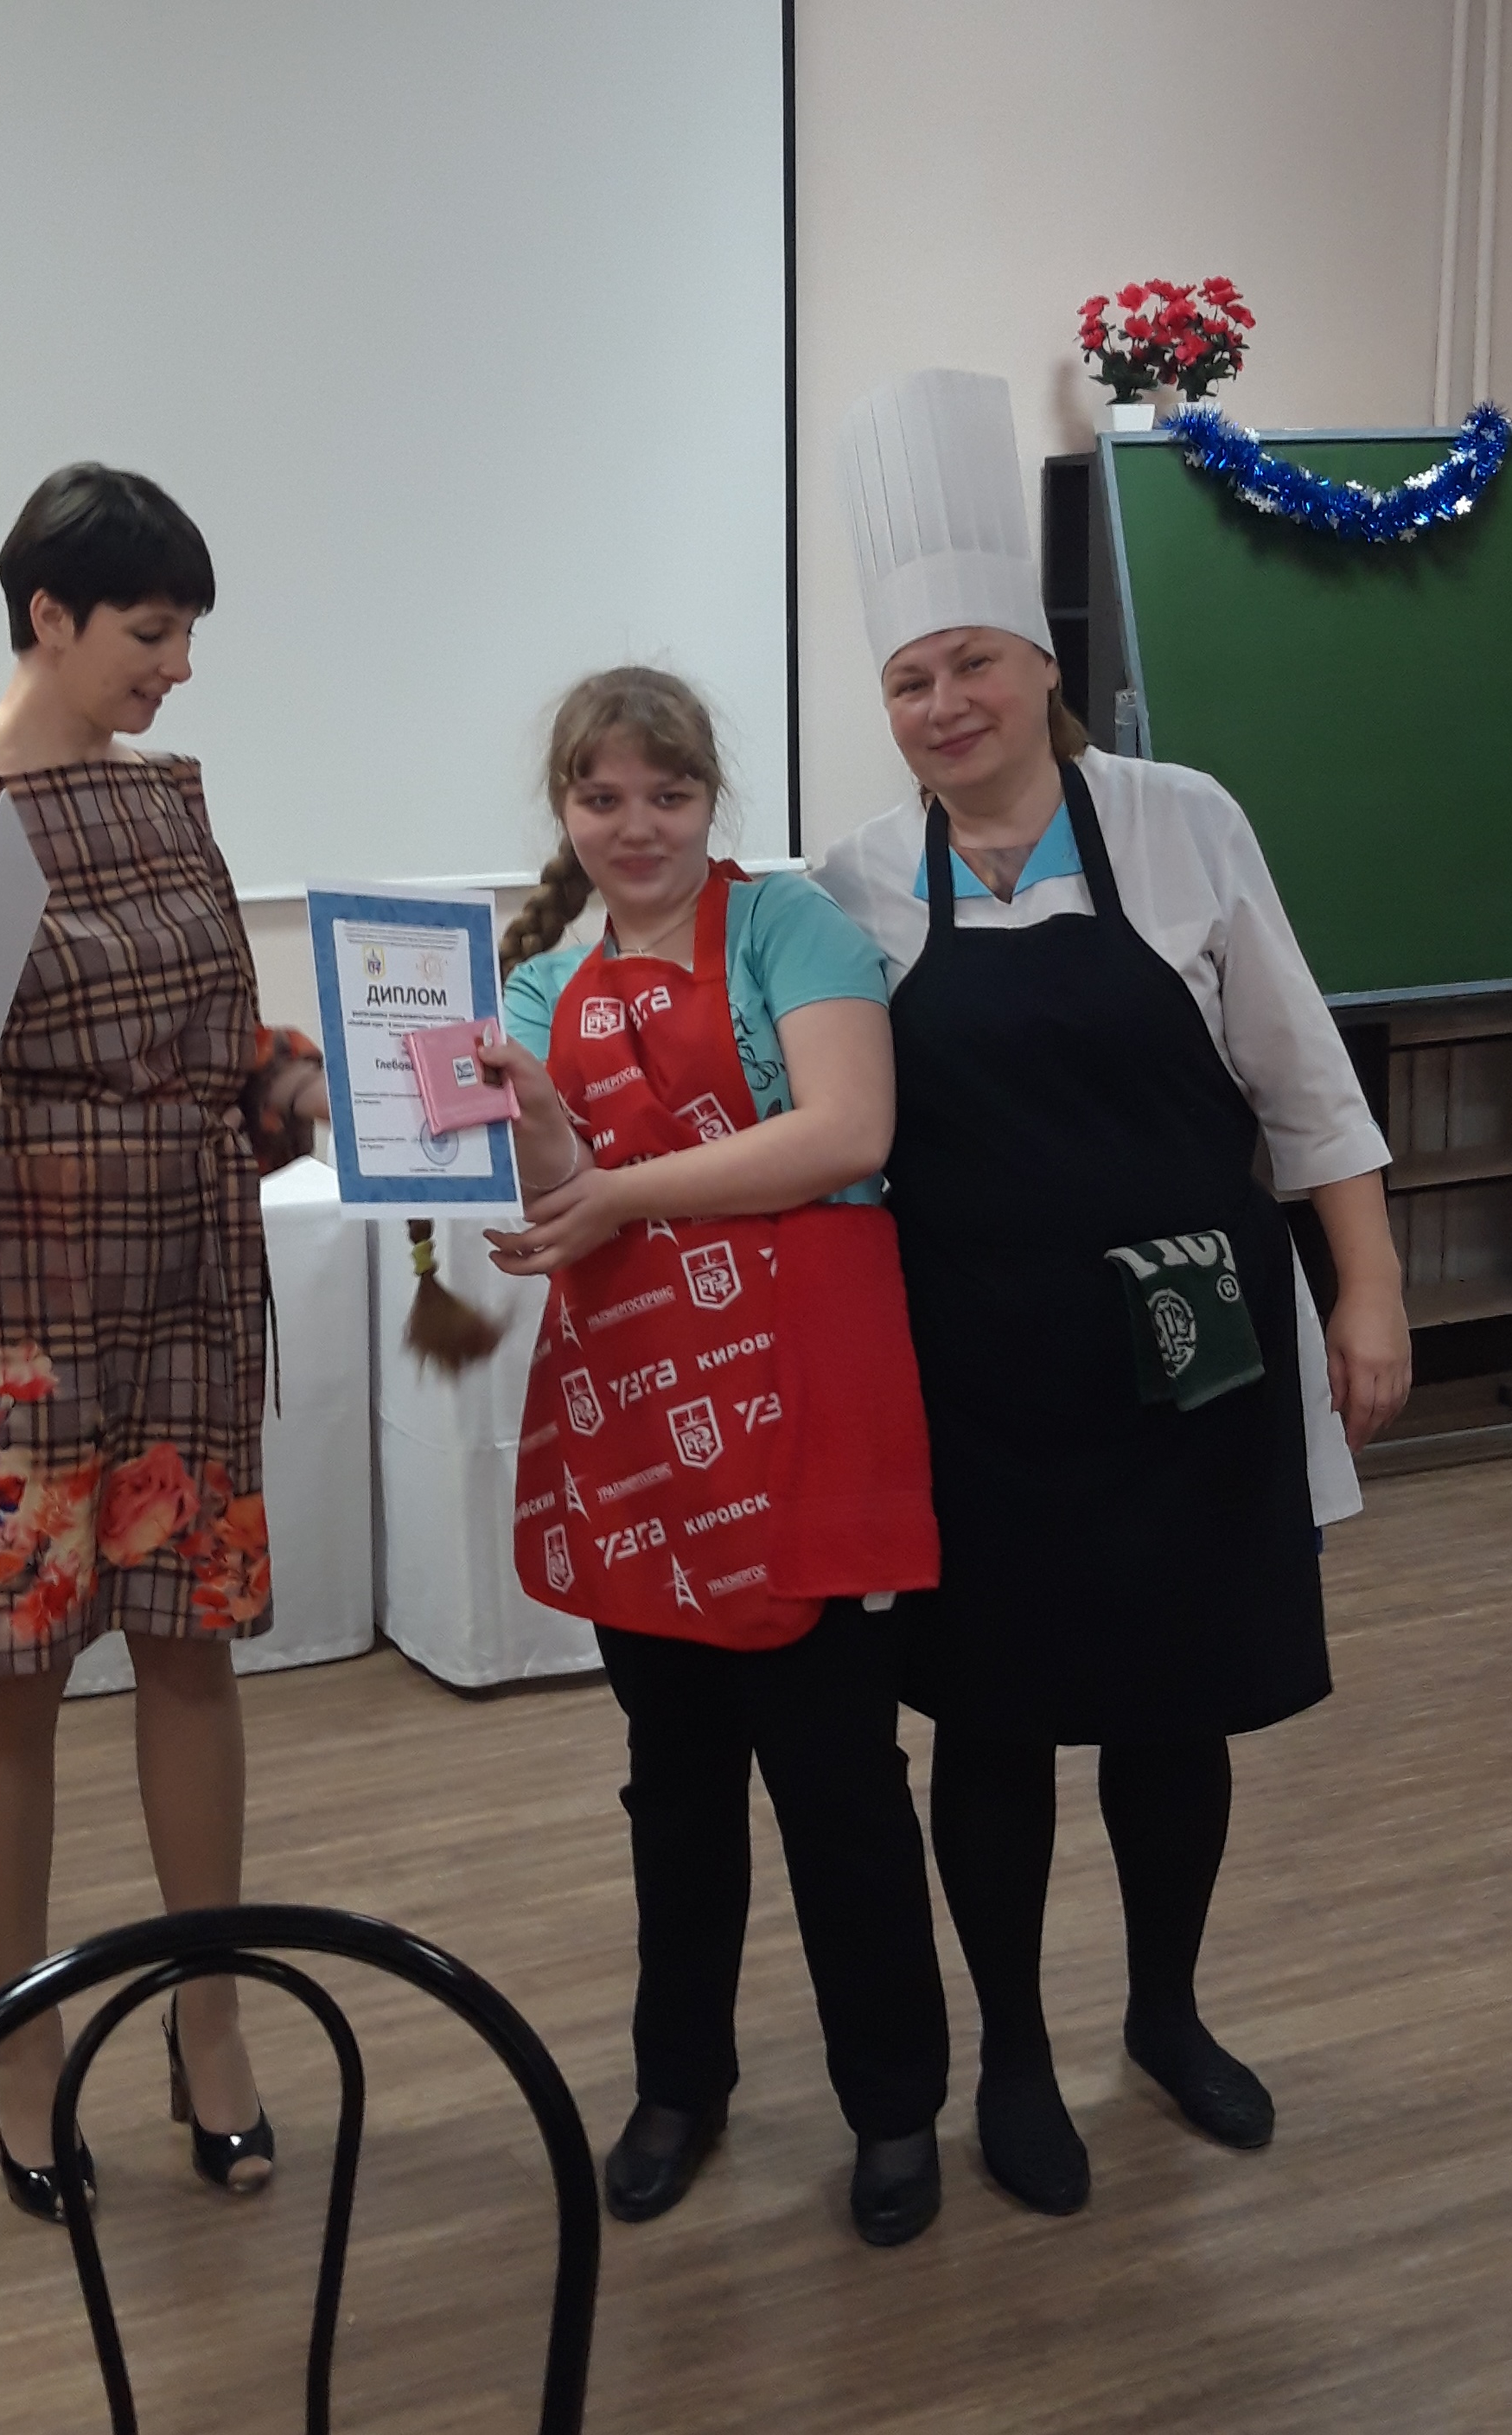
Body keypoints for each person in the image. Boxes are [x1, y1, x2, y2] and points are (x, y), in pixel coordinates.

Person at [814, 371, 1413, 2216]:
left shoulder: (1177, 821)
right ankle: (1011, 2049)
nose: (944, 706)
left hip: (1191, 1357)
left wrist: (1371, 1291)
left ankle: (1165, 2010)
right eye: (909, 680)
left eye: (972, 666)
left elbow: (1305, 1084)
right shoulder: (853, 882)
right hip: (977, 1374)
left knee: (1174, 1709)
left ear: (1039, 663)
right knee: (990, 1724)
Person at [0, 464, 328, 2221]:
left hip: (186, 1292)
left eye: (186, 637)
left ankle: (209, 2023)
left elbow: (220, 1051)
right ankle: (19, 2049)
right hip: (25, 1318)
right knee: (16, 1675)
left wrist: (300, 1092)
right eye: (151, 634)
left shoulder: (167, 800)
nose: (176, 669)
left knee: (191, 1654)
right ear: (49, 615)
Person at [474, 668, 949, 2246]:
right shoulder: (540, 987)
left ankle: (895, 2106)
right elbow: (554, 1187)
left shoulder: (788, 926)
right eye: (603, 798)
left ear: (709, 802)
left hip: (805, 1405)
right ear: (566, 810)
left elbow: (849, 1132)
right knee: (672, 1789)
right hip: (644, 1431)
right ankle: (679, 2083)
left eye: (667, 796)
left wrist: (617, 1194)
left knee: (840, 1787)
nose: (637, 827)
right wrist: (531, 1123)